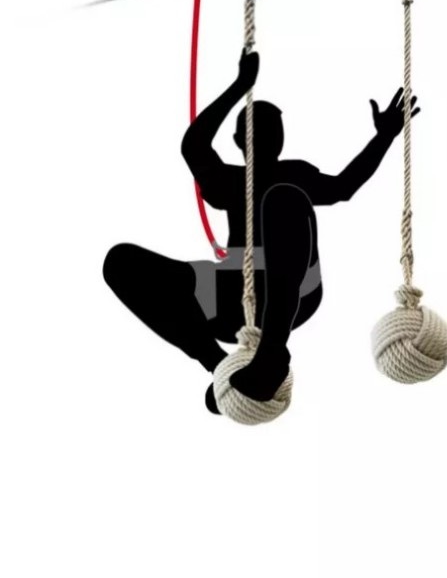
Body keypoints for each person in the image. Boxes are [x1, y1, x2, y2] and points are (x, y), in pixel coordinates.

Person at [102, 48, 419, 414]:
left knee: (283, 197)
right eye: (260, 129)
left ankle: (271, 352)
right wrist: (240, 85)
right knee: (121, 262)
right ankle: (220, 368)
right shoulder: (229, 181)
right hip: (232, 294)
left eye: (273, 130)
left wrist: (385, 137)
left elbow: (343, 186)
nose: (268, 136)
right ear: (240, 141)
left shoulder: (292, 176)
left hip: (291, 294)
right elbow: (194, 145)